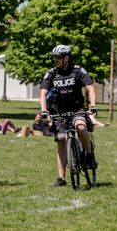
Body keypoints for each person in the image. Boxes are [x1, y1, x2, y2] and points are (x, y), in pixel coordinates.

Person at [39, 45, 97, 187]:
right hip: (59, 111)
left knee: (81, 126)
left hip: (77, 109)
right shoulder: (51, 73)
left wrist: (93, 106)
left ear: (66, 57)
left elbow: (90, 88)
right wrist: (44, 110)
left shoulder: (78, 71)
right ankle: (61, 178)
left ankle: (89, 155)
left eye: (58, 57)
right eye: (55, 57)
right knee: (60, 139)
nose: (56, 60)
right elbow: (43, 93)